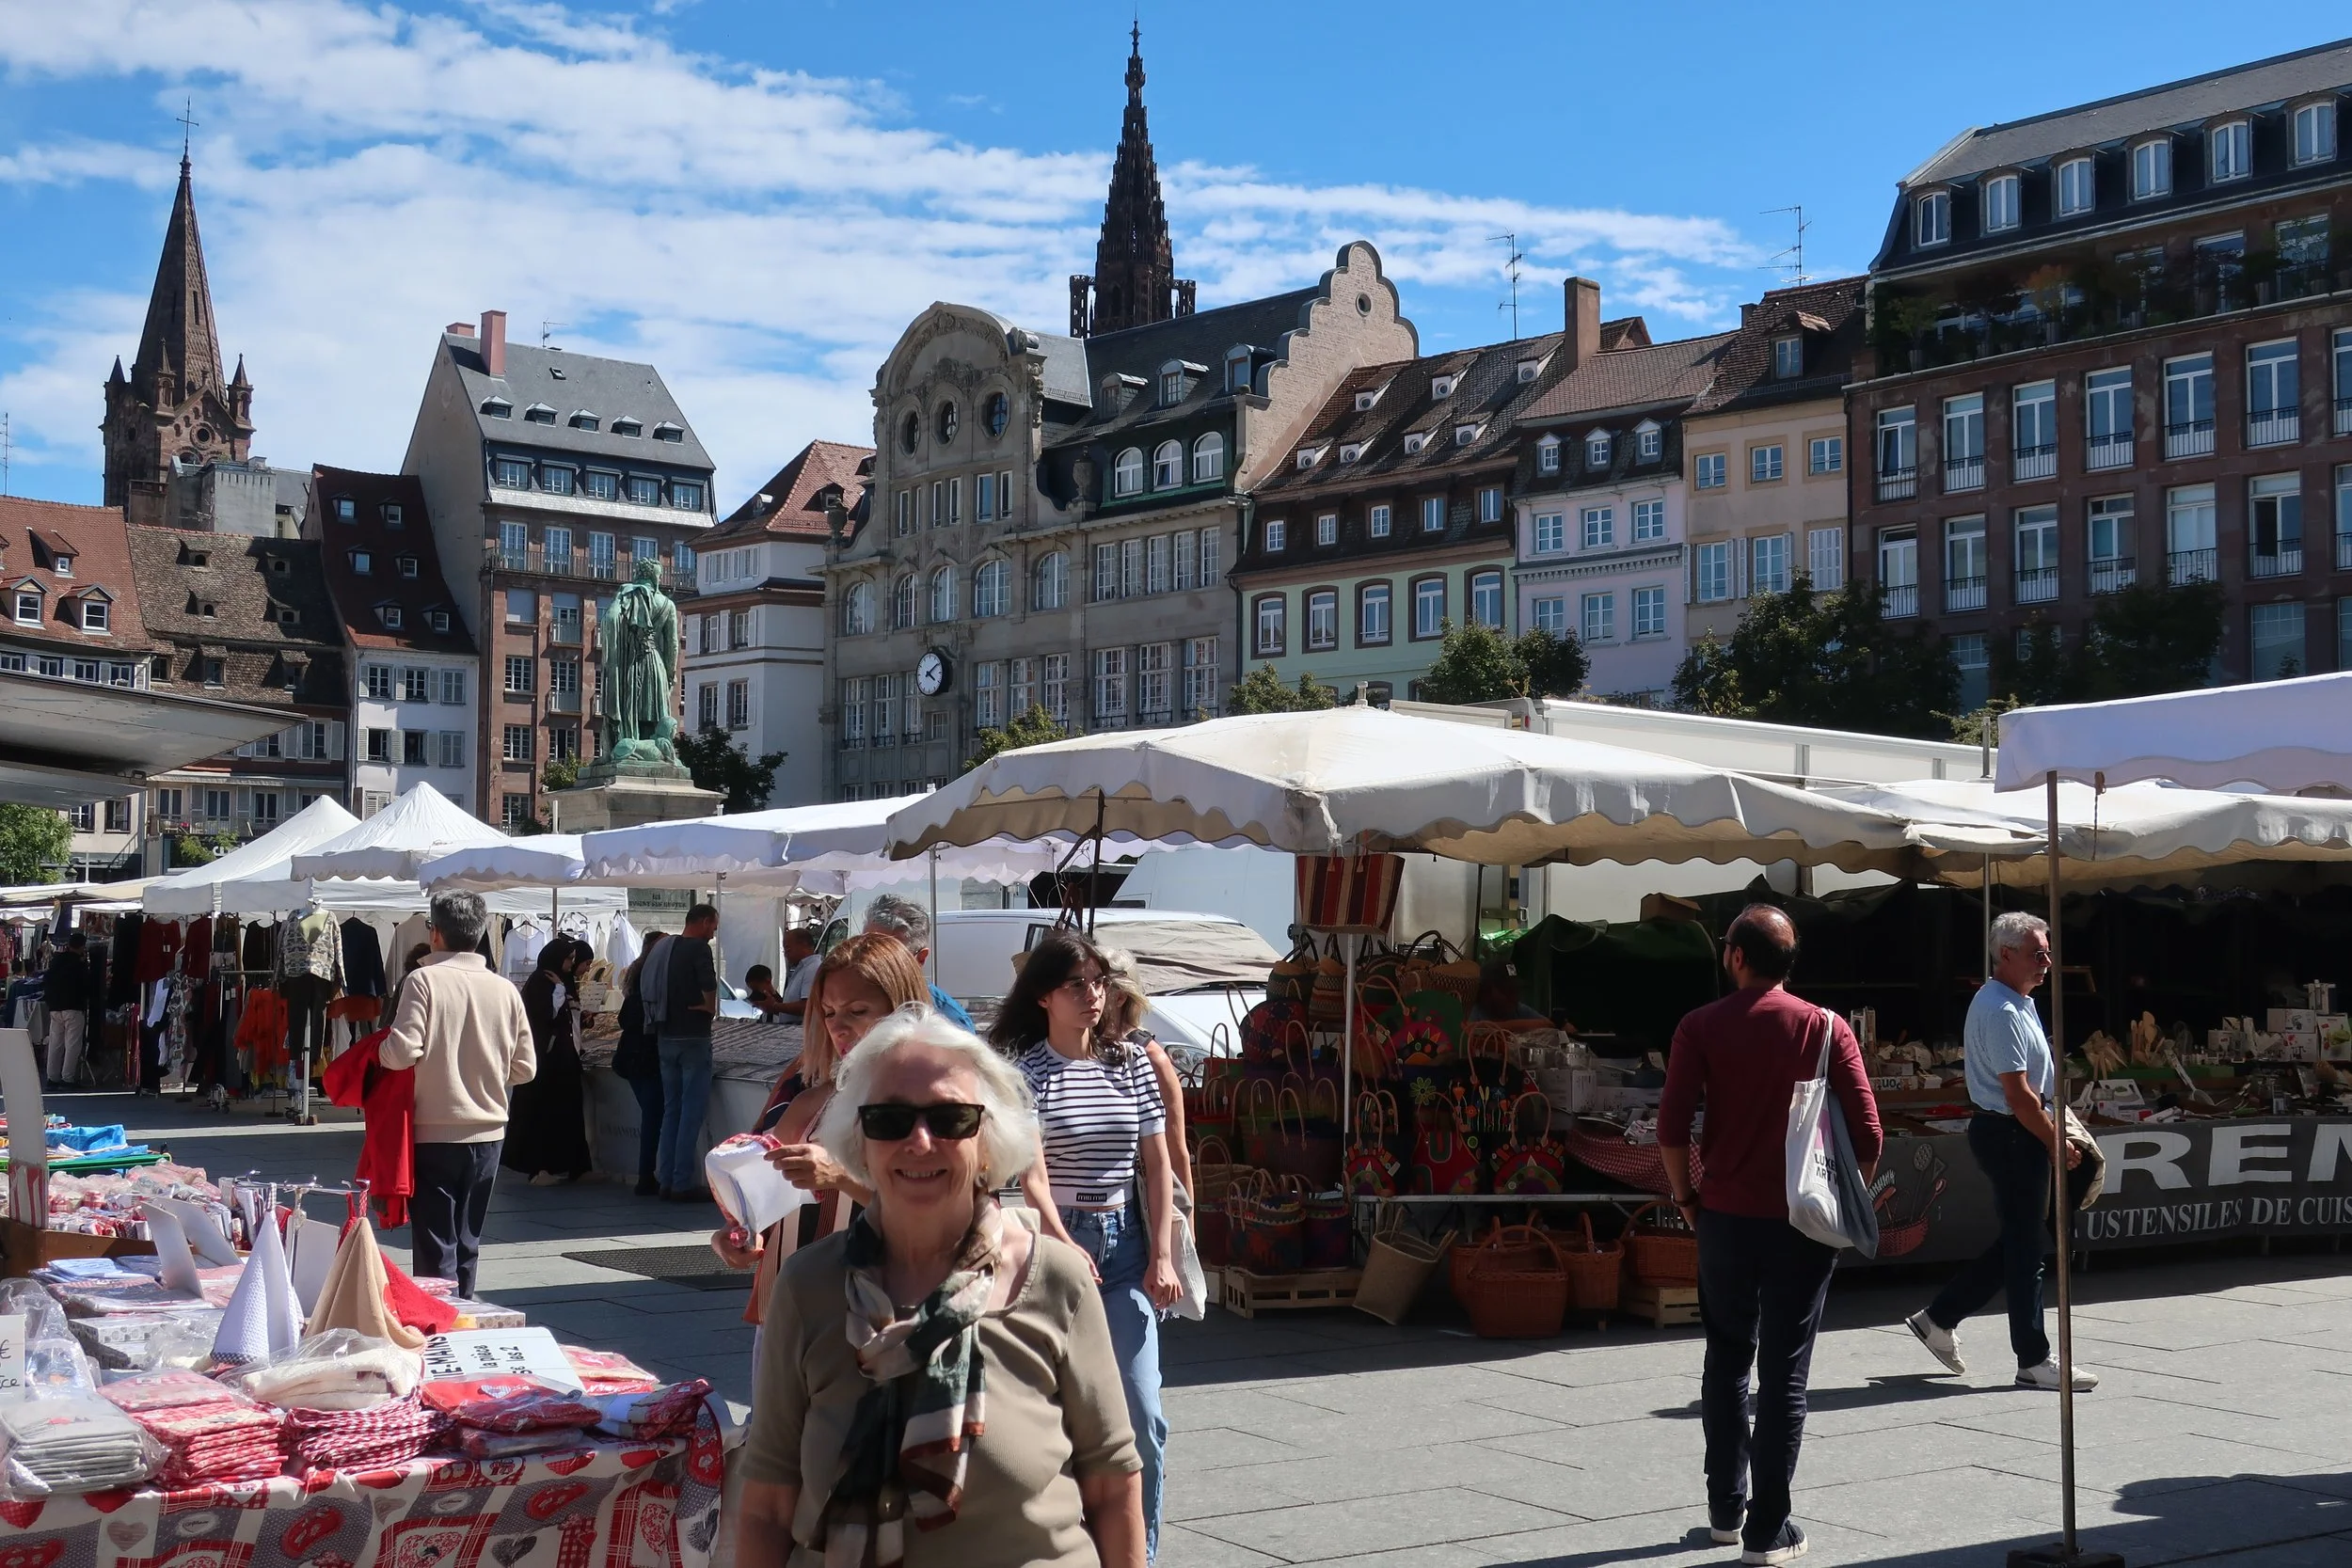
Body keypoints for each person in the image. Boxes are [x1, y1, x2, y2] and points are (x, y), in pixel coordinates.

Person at [735, 1010, 1145, 1568]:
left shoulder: (1055, 1279)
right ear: (859, 1140)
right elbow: (768, 1505)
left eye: (951, 1118)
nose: (920, 1142)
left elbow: (1112, 1482)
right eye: (889, 1119)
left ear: (988, 1140)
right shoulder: (808, 1287)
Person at [1660, 905, 1881, 1568]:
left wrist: (1688, 1198)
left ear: (1734, 957)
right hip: (1801, 1221)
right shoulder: (1825, 1027)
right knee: (1785, 1371)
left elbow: (1672, 1130)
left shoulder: (1699, 1025)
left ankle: (1725, 1510)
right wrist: (1840, 1199)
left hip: (1723, 1215)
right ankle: (1768, 1528)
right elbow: (1868, 1135)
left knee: (1726, 1358)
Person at [989, 928, 1179, 1563]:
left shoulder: (1130, 1063)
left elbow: (1158, 1167)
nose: (1093, 994)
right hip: (1057, 1245)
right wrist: (1067, 1244)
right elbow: (1033, 1178)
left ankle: (1137, 1553)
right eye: (1077, 984)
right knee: (1063, 1421)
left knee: (1142, 1418)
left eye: (1099, 981)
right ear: (1044, 996)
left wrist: (1164, 1255)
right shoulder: (1028, 1072)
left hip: (1126, 1247)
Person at [1907, 911, 2100, 1393]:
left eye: (2048, 951)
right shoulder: (2003, 1009)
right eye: (2038, 953)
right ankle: (2032, 1358)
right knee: (2026, 1247)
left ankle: (1940, 1318)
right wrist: (2054, 1140)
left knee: (2022, 1240)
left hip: (2014, 1131)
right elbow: (2017, 1094)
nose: (2048, 961)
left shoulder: (2016, 1001)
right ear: (2006, 954)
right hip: (2012, 1133)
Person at [710, 934, 927, 1328]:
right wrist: (739, 1234)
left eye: (857, 1010)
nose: (839, 1027)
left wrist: (842, 1175)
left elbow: (942, 1214)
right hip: (789, 1310)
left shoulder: (935, 1095)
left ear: (899, 1008)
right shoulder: (810, 1084)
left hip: (878, 1316)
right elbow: (763, 1188)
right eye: (828, 1013)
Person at [378, 891, 535, 1298]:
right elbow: (525, 1068)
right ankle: (465, 1312)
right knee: (468, 1239)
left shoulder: (423, 980)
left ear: (435, 933)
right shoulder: (505, 990)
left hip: (434, 1128)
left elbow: (400, 1052)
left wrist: (377, 1050)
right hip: (489, 1131)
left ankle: (438, 1326)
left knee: (434, 1244)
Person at [505, 937, 596, 1187]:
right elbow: (544, 1016)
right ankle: (539, 1167)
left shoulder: (562, 982)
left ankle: (576, 1166)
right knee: (541, 1115)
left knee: (569, 1114)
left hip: (564, 1062)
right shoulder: (541, 983)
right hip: (546, 1062)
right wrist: (557, 992)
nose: (571, 964)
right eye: (568, 959)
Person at [655, 904, 721, 1202]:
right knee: (690, 1113)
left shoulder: (665, 947)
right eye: (713, 927)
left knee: (671, 1110)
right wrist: (709, 1005)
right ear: (704, 922)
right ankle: (682, 1182)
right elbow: (708, 981)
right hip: (693, 1036)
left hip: (665, 1034)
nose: (713, 933)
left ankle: (664, 1178)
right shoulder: (699, 949)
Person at [863, 893, 976, 1030]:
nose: (871, 961)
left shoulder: (949, 1022)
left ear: (920, 958)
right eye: (865, 948)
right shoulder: (842, 1001)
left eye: (889, 956)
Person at [613, 935, 666, 1197]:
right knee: (654, 1117)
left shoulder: (637, 973)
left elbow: (624, 1018)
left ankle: (649, 1173)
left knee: (652, 1116)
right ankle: (648, 1174)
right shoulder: (655, 977)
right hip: (647, 1057)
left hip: (631, 1057)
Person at [43, 932, 91, 1089]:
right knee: (72, 1044)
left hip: (55, 1007)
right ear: (82, 946)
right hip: (73, 1007)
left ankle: (52, 1078)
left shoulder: (56, 961)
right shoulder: (79, 964)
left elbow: (47, 981)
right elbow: (85, 985)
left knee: (55, 1043)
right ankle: (67, 1077)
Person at [1469, 958, 1546, 1023]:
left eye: (1515, 989)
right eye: (1506, 991)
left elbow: (1548, 1025)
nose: (1514, 996)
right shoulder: (1479, 1013)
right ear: (1487, 992)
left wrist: (1508, 1026)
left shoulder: (1517, 1009)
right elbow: (1484, 1030)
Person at [773, 927, 820, 1021]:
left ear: (803, 945)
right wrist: (774, 996)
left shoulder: (812, 969)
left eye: (788, 949)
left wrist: (775, 1006)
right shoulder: (802, 968)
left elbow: (807, 1007)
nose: (786, 954)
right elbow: (792, 1003)